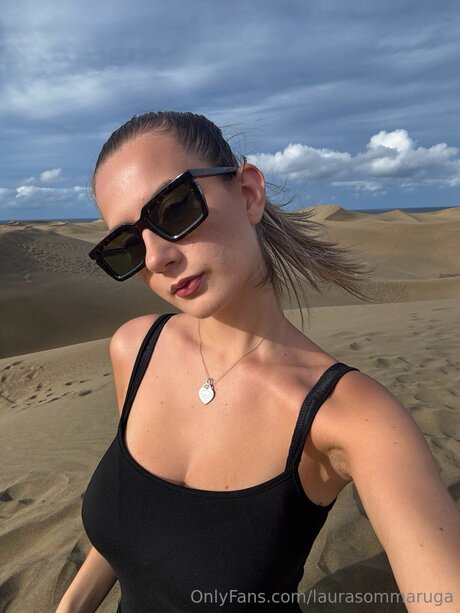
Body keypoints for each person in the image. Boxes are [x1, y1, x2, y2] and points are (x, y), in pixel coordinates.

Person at [56, 111, 459, 612]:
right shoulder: (135, 349)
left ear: (248, 194)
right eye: (127, 244)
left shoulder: (353, 418)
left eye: (175, 208)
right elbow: (134, 522)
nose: (156, 257)